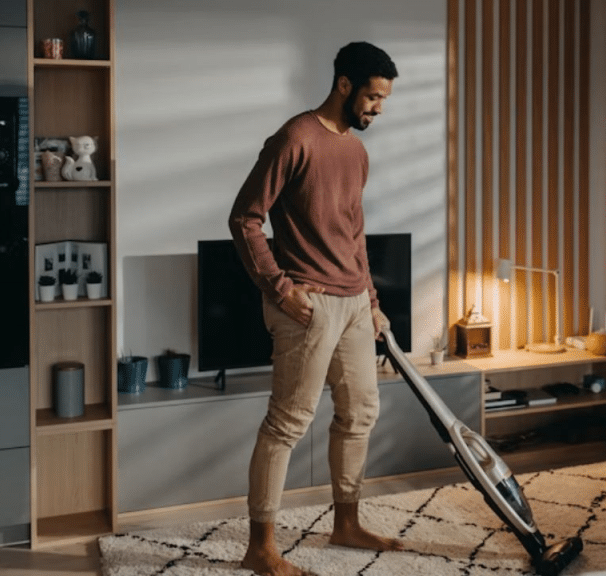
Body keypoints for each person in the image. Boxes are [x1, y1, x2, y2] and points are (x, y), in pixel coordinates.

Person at [228, 41, 401, 576]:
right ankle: (261, 549)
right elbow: (245, 217)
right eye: (372, 96)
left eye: (384, 99)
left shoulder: (356, 151)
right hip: (308, 305)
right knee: (287, 423)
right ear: (344, 84)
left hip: (354, 304)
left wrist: (372, 301)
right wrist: (280, 289)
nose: (378, 108)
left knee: (360, 413)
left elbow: (354, 233)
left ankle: (346, 524)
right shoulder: (295, 138)